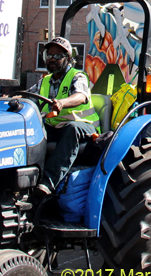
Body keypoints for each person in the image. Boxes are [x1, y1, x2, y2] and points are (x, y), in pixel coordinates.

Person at [27, 37, 100, 196]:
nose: (53, 59)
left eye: (58, 56)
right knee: (29, 130)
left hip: (84, 126)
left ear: (68, 59)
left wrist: (62, 103)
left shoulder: (77, 76)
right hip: (54, 126)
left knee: (71, 129)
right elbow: (27, 97)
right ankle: (26, 179)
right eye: (50, 55)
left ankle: (47, 183)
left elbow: (81, 96)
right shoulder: (44, 81)